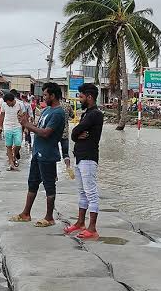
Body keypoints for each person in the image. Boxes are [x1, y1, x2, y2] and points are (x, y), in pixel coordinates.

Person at [8, 82, 65, 227]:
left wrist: (27, 125)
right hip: (38, 152)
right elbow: (39, 128)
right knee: (32, 183)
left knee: (49, 185)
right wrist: (26, 122)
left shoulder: (58, 112)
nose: (43, 97)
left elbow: (46, 133)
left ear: (53, 95)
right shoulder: (47, 111)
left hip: (47, 154)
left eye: (45, 95)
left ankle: (49, 217)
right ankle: (26, 213)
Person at [64, 83, 104, 240]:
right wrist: (76, 134)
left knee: (91, 193)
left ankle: (92, 228)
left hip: (89, 157)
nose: (79, 99)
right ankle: (80, 222)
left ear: (89, 97)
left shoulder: (95, 114)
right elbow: (75, 134)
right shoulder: (86, 113)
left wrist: (76, 133)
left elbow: (75, 131)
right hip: (80, 156)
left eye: (81, 96)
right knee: (82, 192)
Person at [0, 92, 22, 171]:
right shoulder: (4, 105)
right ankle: (11, 163)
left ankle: (14, 156)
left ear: (12, 100)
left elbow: (24, 115)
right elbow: (1, 115)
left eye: (9, 103)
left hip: (17, 126)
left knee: (18, 144)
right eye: (7, 104)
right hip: (7, 126)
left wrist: (25, 127)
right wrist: (0, 126)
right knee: (8, 145)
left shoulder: (19, 104)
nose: (8, 105)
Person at [59, 98, 75, 164]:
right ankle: (68, 168)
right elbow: (73, 116)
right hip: (65, 133)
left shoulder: (53, 106)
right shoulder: (68, 105)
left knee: (52, 153)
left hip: (54, 133)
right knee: (66, 154)